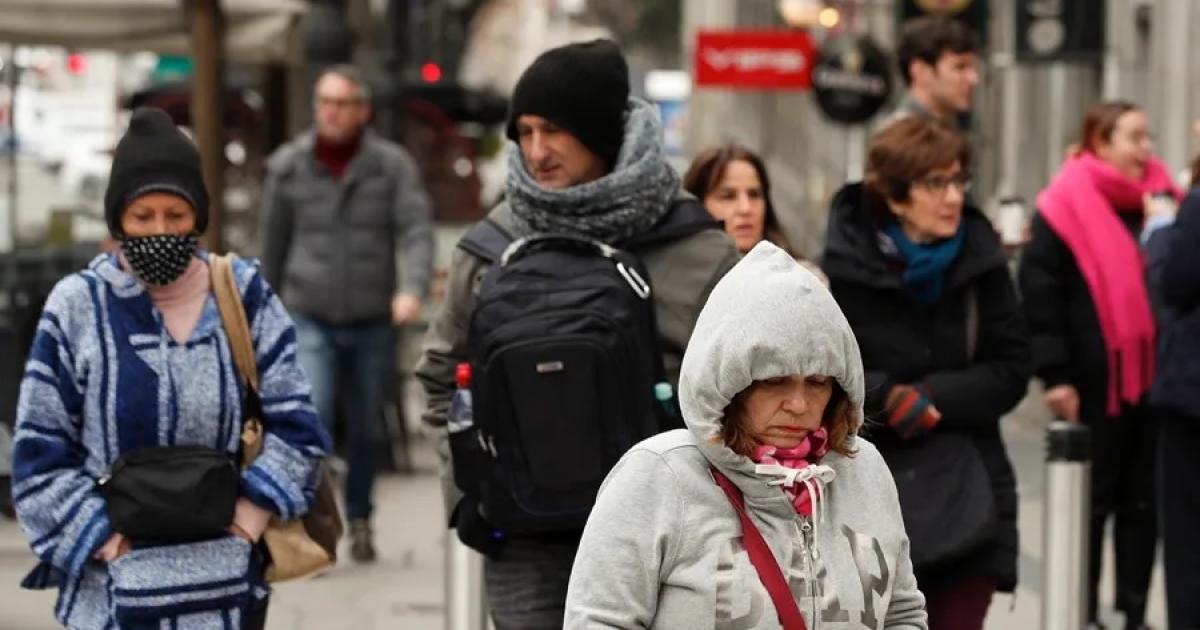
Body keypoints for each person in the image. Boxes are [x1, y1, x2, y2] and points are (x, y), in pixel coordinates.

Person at [415, 39, 739, 629]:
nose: (536, 152)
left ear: (600, 132)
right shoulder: (491, 246)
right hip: (525, 542)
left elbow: (743, 391)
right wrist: (468, 492)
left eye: (554, 131)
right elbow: (439, 377)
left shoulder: (697, 250)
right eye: (525, 132)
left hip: (663, 540)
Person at [11, 108, 329, 630]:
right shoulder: (76, 306)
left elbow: (298, 428)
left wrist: (246, 525)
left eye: (176, 215)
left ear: (198, 216)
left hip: (227, 594)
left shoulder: (244, 296)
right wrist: (106, 542)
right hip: (110, 599)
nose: (160, 230)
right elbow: (39, 453)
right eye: (143, 216)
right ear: (118, 220)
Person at [564, 242, 927, 629]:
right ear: (728, 383)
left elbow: (902, 612)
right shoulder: (659, 475)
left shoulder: (863, 468)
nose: (799, 404)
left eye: (818, 382)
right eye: (773, 381)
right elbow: (599, 621)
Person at [821, 118, 1030, 630]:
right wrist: (889, 398)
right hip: (869, 496)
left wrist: (935, 396)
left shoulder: (983, 263)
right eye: (936, 183)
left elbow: (1012, 368)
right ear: (895, 197)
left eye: (959, 180)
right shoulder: (843, 269)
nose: (953, 196)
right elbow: (825, 372)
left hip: (970, 492)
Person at [260, 64, 434, 562]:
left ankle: (359, 517)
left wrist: (411, 288)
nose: (332, 113)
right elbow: (271, 246)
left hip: (372, 317)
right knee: (312, 415)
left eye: (342, 103)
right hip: (308, 313)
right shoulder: (289, 166)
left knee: (366, 428)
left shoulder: (390, 166)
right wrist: (263, 311)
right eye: (325, 102)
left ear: (362, 110)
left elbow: (416, 230)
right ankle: (313, 523)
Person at [1019, 101, 1180, 630]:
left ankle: (1134, 612)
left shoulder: (1162, 202)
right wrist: (1056, 375)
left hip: (1155, 379)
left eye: (1148, 136)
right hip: (1091, 381)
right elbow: (1041, 294)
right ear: (1100, 142)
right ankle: (1082, 612)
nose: (1146, 149)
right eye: (1134, 137)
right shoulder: (1063, 204)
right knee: (1090, 501)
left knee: (1143, 503)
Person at [1142, 157, 1200, 630]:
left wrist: (1160, 231)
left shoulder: (1196, 206)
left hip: (1191, 399)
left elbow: (1176, 283)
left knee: (1186, 537)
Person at [683, 144, 827, 284]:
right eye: (728, 196)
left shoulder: (804, 280)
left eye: (754, 195)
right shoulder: (680, 281)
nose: (745, 209)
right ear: (698, 206)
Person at [891, 15, 980, 134]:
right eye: (960, 67)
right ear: (920, 71)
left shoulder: (940, 130)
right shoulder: (903, 137)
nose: (973, 79)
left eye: (972, 67)